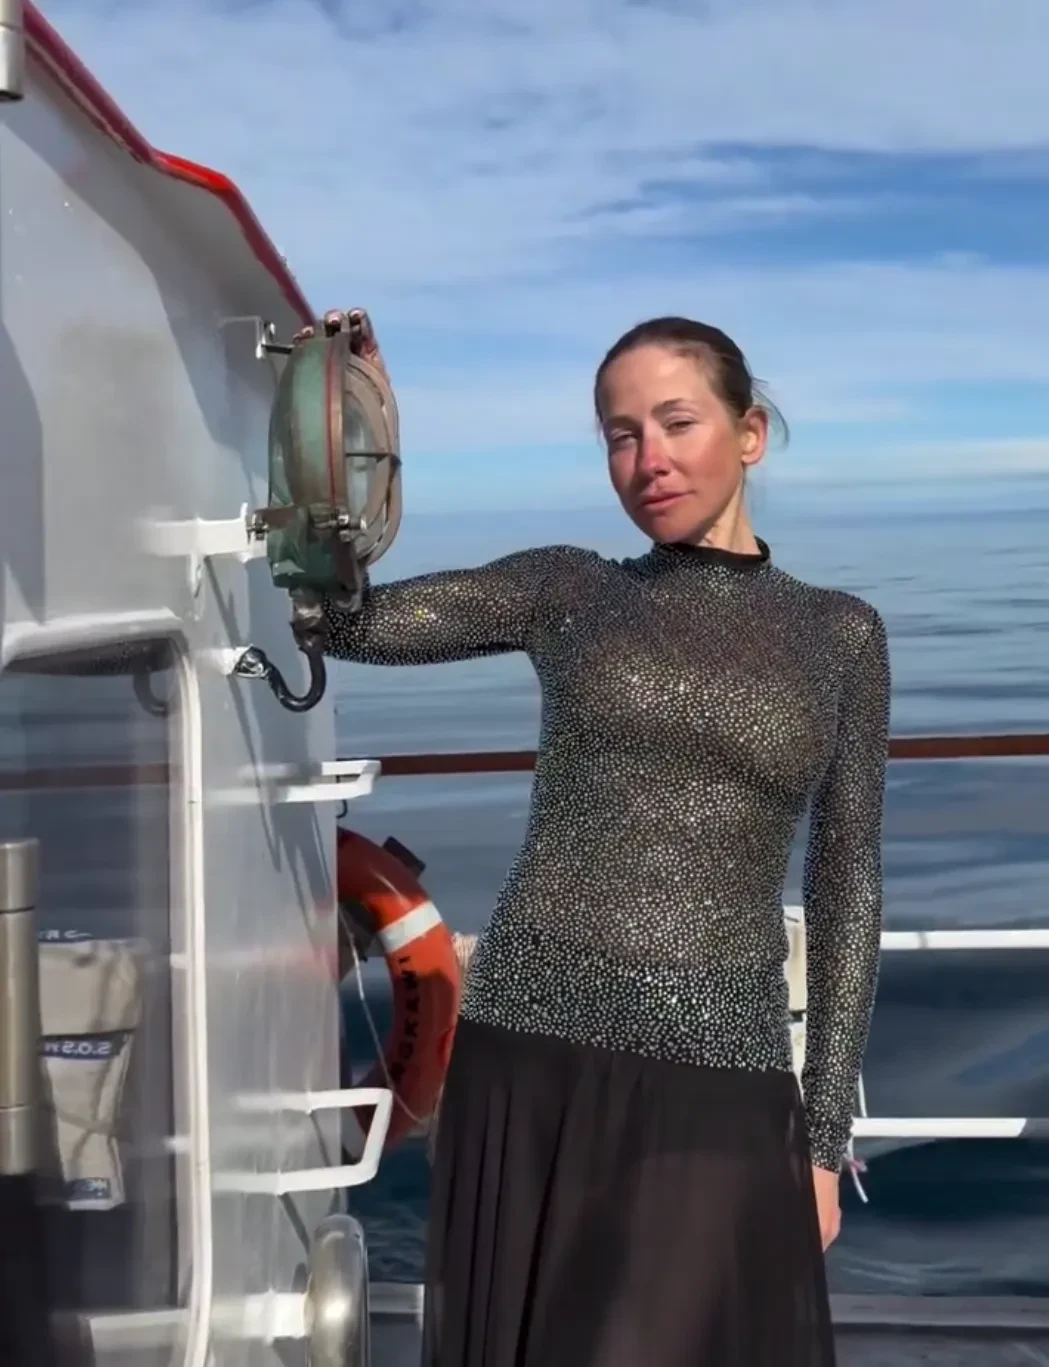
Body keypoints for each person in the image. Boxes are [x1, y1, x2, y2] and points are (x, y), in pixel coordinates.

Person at [315, 309, 890, 1367]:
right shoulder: (571, 588)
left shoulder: (840, 633)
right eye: (619, 435)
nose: (646, 457)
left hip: (720, 1064)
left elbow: (847, 880)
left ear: (749, 433)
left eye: (675, 422)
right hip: (531, 1052)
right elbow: (346, 623)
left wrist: (821, 1142)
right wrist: (356, 450)